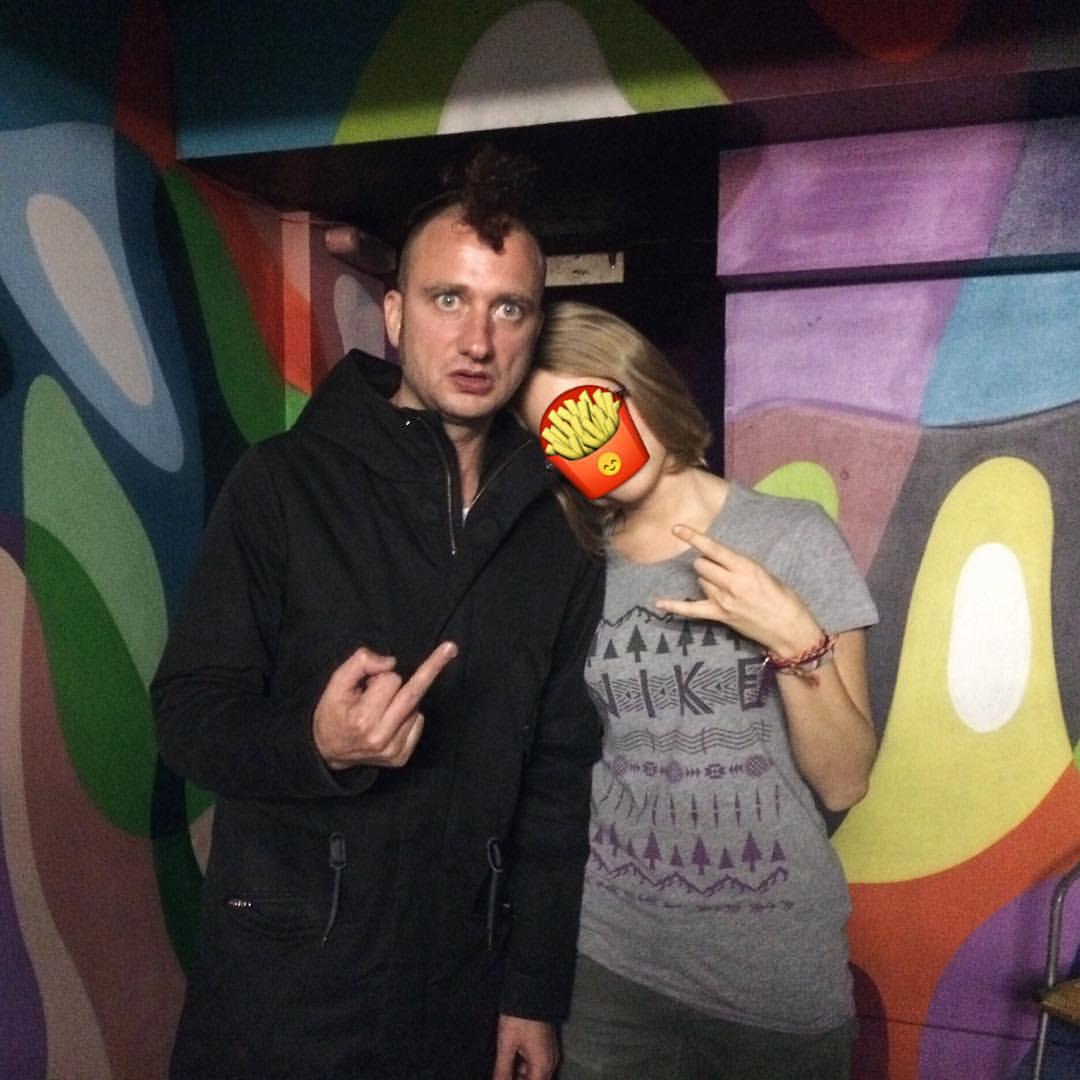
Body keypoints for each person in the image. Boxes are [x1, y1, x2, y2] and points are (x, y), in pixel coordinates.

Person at [151, 151, 604, 1080]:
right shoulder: (283, 485)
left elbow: (558, 780)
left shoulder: (556, 526)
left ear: (534, 327)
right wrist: (315, 743)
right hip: (288, 991)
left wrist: (531, 992)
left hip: (463, 989)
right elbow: (186, 715)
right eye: (448, 299)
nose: (476, 339)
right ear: (395, 314)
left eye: (508, 308)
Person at [516, 301, 879, 1080]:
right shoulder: (572, 565)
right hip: (610, 970)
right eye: (559, 436)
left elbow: (846, 780)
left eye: (593, 413)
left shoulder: (792, 536)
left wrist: (792, 636)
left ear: (640, 386)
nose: (594, 449)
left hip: (774, 982)